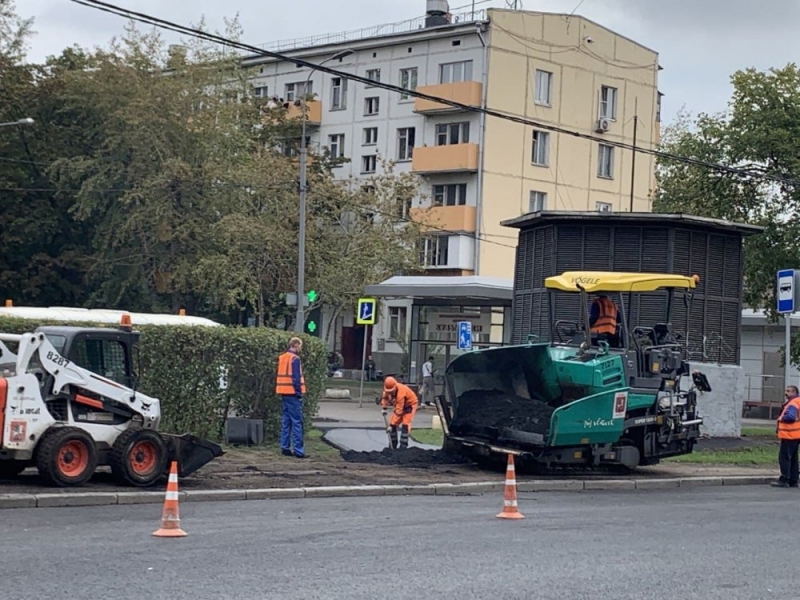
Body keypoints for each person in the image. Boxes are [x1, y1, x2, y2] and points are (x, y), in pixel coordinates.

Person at [276, 337, 307, 458]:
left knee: (286, 421)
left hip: (284, 392)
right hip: (293, 394)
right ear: (295, 345)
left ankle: (285, 447)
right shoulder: (295, 359)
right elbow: (296, 378)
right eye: (300, 346)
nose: (300, 348)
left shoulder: (283, 357)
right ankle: (299, 451)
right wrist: (299, 393)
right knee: (297, 422)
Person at [380, 376, 419, 450]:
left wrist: (391, 426)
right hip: (400, 406)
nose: (390, 392)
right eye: (389, 391)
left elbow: (399, 411)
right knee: (392, 423)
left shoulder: (401, 392)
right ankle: (392, 445)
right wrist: (384, 407)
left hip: (409, 405)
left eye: (392, 391)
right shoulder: (387, 390)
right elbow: (385, 398)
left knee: (406, 424)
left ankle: (403, 446)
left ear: (395, 387)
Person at [772, 385, 800, 488]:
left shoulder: (792, 403)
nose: (786, 393)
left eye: (788, 391)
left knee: (784, 458)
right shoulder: (798, 401)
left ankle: (784, 480)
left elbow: (791, 417)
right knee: (793, 458)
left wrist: (781, 418)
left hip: (789, 435)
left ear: (794, 392)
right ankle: (794, 480)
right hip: (797, 435)